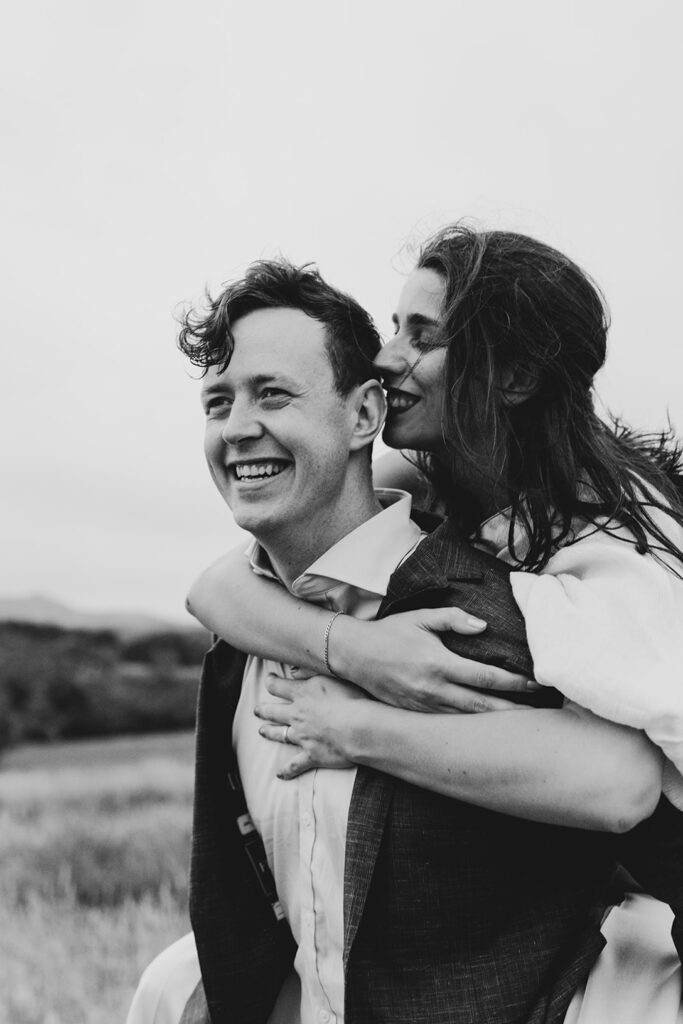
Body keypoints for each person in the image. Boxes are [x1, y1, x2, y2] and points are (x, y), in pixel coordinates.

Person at [127, 257, 660, 1024]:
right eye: (218, 401)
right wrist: (347, 646)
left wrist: (359, 724)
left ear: (365, 415)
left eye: (272, 393)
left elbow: (621, 789)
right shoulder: (240, 632)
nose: (238, 427)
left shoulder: (508, 606)